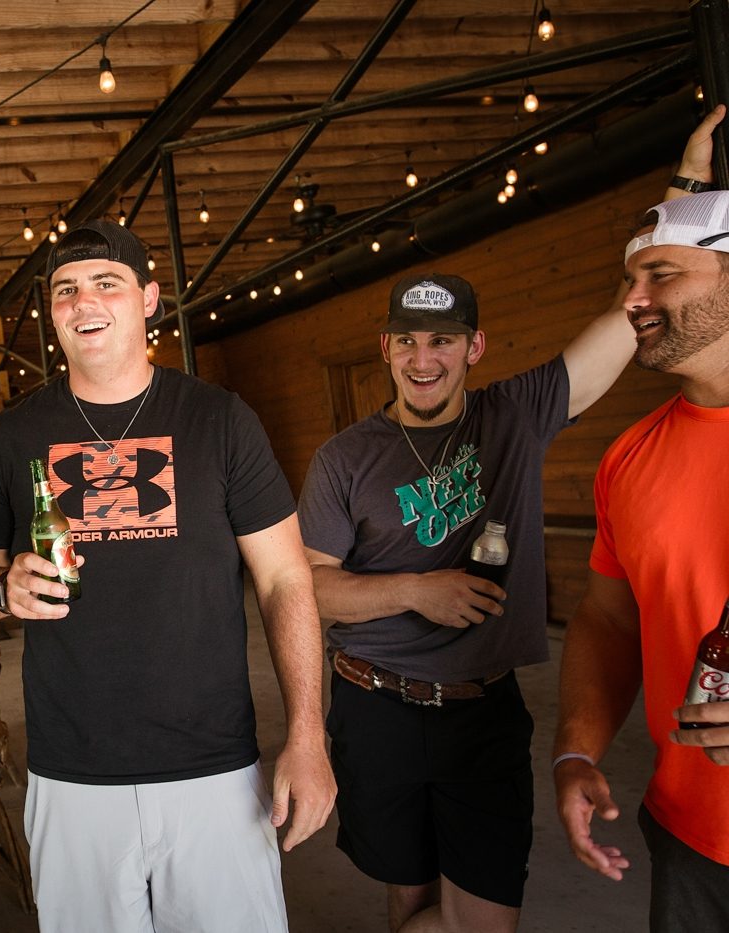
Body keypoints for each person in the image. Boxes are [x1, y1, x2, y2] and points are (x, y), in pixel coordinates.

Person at [297, 110, 721, 933]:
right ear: (386, 349)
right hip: (375, 704)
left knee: (484, 919)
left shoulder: (517, 413)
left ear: (475, 346)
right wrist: (416, 589)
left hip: (482, 709)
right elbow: (310, 587)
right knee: (408, 895)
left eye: (442, 341)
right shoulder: (343, 457)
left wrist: (686, 189)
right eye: (407, 341)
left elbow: (628, 316)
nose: (424, 358)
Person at [0, 219, 334, 931]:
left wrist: (308, 735)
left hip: (213, 765)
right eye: (66, 289)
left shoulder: (219, 420)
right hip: (70, 773)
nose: (84, 301)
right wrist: (0, 589)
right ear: (52, 312)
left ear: (149, 299)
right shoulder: (13, 434)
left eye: (106, 283)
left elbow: (285, 579)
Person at [554, 107, 729, 933]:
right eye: (631, 280)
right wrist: (576, 748)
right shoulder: (630, 457)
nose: (633, 300)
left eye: (661, 274)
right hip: (688, 839)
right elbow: (609, 619)